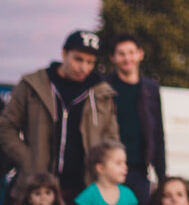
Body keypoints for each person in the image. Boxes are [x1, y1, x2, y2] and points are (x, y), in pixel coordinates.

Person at [0, 30, 119, 203]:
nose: (84, 67)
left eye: (90, 62)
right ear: (64, 54)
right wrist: (27, 158)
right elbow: (6, 126)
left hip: (83, 188)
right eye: (78, 59)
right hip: (37, 187)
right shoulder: (33, 84)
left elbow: (111, 139)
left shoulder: (102, 93)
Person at [106, 33, 167, 204]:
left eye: (131, 52)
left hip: (138, 169)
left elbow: (158, 133)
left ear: (140, 54)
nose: (127, 58)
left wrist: (162, 175)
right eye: (121, 54)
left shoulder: (150, 89)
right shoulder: (104, 87)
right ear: (113, 57)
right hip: (109, 168)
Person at [75, 140, 137, 205]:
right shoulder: (87, 197)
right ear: (101, 168)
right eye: (118, 163)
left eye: (125, 163)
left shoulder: (128, 195)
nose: (125, 167)